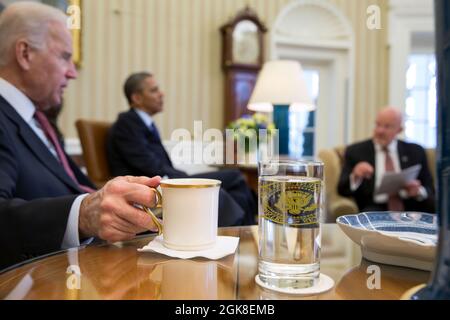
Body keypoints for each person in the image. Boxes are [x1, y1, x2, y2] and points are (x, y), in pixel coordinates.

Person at [0, 2, 161, 270]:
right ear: (25, 53)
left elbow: (76, 188)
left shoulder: (41, 122)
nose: (73, 72)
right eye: (64, 57)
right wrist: (83, 215)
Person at [107, 72, 256, 226]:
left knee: (236, 182)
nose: (161, 94)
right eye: (154, 90)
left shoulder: (144, 123)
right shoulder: (126, 123)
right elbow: (147, 165)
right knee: (226, 186)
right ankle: (244, 232)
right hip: (154, 185)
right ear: (136, 98)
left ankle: (245, 232)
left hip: (167, 178)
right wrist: (183, 177)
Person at [338, 107, 435, 213]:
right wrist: (356, 176)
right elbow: (342, 190)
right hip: (373, 209)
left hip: (410, 208)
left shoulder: (416, 151)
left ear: (399, 130)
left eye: (387, 126)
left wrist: (418, 191)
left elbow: (430, 188)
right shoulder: (356, 151)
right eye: (378, 125)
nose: (380, 131)